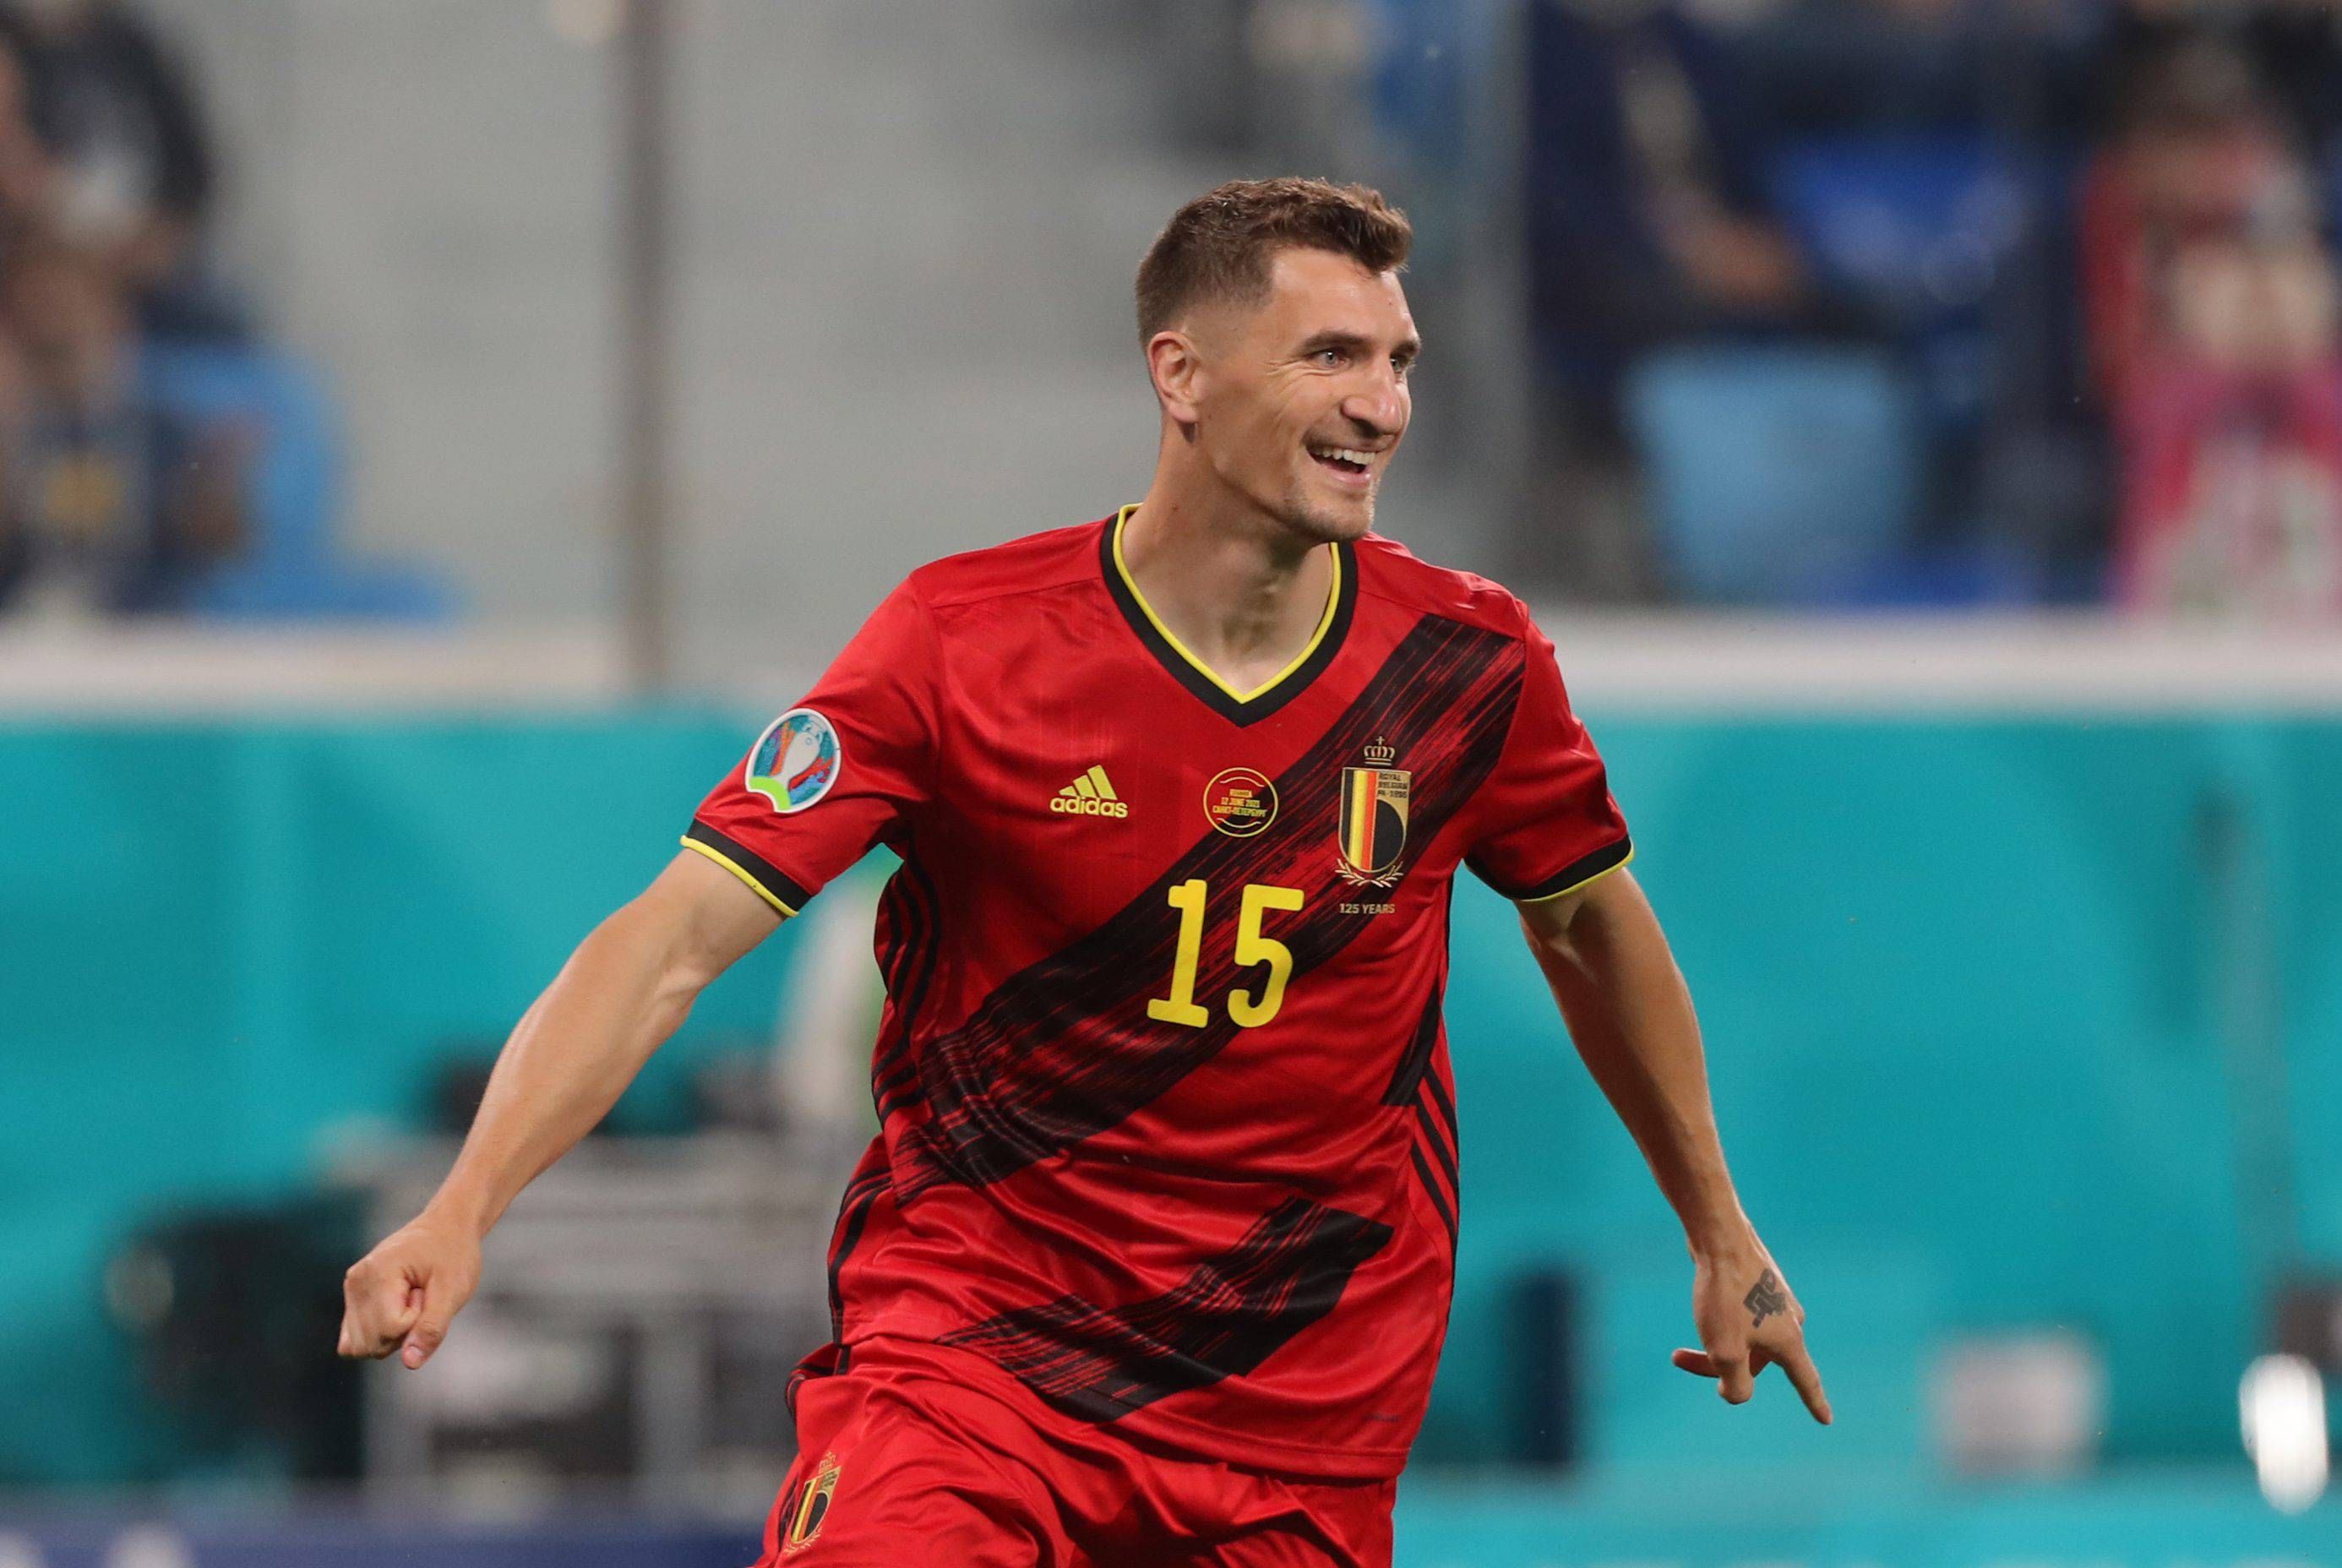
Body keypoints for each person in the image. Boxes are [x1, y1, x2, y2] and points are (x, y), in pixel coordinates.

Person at [337, 177, 1827, 1567]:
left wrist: (1720, 1225)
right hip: (979, 1367)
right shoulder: (959, 645)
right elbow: (669, 940)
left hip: (1297, 1411)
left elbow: (1589, 927)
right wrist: (467, 1203)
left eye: (1401, 361)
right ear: (1181, 376)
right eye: (1329, 356)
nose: (1382, 406)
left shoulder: (1466, 664)